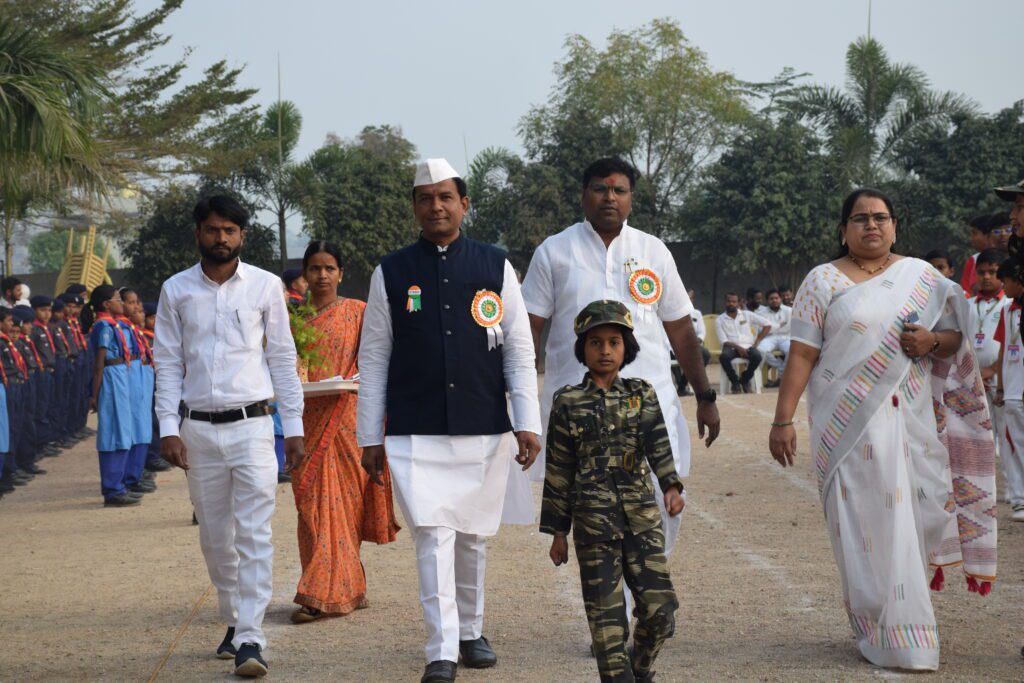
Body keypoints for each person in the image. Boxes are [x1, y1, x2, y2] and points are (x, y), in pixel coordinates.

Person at [769, 187, 996, 672]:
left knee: (917, 516)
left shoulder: (922, 277)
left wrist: (931, 340)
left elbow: (954, 337)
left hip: (910, 421)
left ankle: (900, 619)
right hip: (845, 429)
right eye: (860, 218)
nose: (871, 225)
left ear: (894, 226)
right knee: (862, 522)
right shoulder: (821, 280)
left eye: (880, 217)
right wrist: (782, 418)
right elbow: (803, 353)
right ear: (843, 230)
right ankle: (890, 628)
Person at [357, 159, 541, 683]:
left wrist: (527, 421)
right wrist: (369, 435)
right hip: (415, 429)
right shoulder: (391, 272)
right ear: (414, 207)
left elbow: (518, 349)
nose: (435, 207)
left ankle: (471, 631)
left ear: (464, 204)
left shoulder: (495, 266)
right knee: (432, 536)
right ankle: (441, 649)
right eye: (425, 198)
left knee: (473, 536)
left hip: (483, 423)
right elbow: (374, 356)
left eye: (445, 197)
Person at [521, 156, 719, 569]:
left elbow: (681, 330)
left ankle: (641, 594)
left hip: (649, 406)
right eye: (600, 189)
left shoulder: (653, 250)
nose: (609, 198)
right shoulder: (554, 251)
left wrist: (705, 396)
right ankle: (620, 604)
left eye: (619, 190)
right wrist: (521, 406)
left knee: (663, 505)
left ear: (631, 198)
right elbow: (528, 331)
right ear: (584, 195)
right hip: (580, 410)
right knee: (595, 517)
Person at [155, 195, 305, 677]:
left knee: (256, 532)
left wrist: (294, 427)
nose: (221, 238)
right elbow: (167, 362)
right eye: (213, 229)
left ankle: (251, 637)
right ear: (198, 233)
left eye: (230, 230)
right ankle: (235, 618)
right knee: (216, 538)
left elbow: (282, 357)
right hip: (198, 430)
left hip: (253, 426)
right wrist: (168, 427)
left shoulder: (265, 286)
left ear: (242, 236)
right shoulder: (176, 290)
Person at [542, 300, 683, 683]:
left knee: (660, 611)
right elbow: (559, 470)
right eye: (596, 342)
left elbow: (658, 444)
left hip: (641, 521)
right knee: (607, 629)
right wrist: (558, 532)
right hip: (593, 527)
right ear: (582, 349)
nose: (605, 350)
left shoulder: (642, 394)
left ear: (627, 348)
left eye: (614, 342)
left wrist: (671, 486)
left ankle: (641, 667)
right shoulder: (568, 402)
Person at [289, 239, 400, 624]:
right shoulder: (291, 320)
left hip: (349, 419)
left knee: (346, 507)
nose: (322, 275)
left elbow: (379, 358)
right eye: (315, 268)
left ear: (341, 273)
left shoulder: (359, 312)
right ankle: (337, 586)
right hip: (306, 420)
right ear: (305, 274)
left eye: (329, 268)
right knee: (312, 508)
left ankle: (324, 592)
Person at [88, 286, 137, 507]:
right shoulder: (103, 326)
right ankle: (112, 489)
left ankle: (119, 484)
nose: (121, 302)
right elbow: (99, 364)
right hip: (110, 377)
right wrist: (94, 394)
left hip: (118, 375)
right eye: (118, 299)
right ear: (106, 304)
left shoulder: (112, 324)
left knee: (122, 431)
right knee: (112, 432)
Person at [966, 250, 1010, 457]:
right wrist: (973, 373)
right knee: (979, 435)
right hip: (973, 378)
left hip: (1003, 378)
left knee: (1008, 433)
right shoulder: (967, 305)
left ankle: (1009, 475)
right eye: (981, 272)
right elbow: (961, 341)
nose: (986, 277)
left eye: (992, 272)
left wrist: (992, 370)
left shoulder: (1009, 304)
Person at [993, 259, 1024, 522]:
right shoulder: (1007, 310)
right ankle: (1019, 500)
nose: (1004, 287)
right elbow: (1003, 348)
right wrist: (1001, 387)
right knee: (1014, 446)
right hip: (1014, 391)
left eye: (1006, 281)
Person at [117, 287, 155, 496]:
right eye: (131, 303)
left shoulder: (132, 328)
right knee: (132, 429)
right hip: (130, 380)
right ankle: (129, 477)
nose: (136, 307)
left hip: (142, 379)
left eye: (137, 303)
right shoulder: (118, 328)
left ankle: (136, 473)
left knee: (142, 426)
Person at [715, 292, 771, 393]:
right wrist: (739, 348)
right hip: (731, 347)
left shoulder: (747, 314)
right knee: (724, 357)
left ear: (738, 303)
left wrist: (757, 341)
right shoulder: (720, 319)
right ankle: (735, 382)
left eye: (734, 301)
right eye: (729, 301)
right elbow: (724, 341)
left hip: (748, 346)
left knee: (757, 356)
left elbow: (767, 324)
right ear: (725, 302)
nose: (731, 304)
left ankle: (745, 379)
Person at [0, 307, 28, 494]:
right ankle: (6, 473)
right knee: (6, 430)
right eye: (9, 320)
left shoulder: (7, 341)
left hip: (14, 384)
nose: (12, 324)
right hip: (7, 386)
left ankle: (10, 470)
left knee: (14, 427)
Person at [28, 296, 59, 457]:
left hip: (49, 371)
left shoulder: (46, 328)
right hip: (40, 372)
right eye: (42, 310)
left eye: (49, 310)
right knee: (40, 408)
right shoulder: (34, 329)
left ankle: (45, 441)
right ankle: (39, 445)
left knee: (47, 405)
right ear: (34, 311)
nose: (47, 314)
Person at [48, 296, 76, 448]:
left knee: (65, 398)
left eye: (60, 311)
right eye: (55, 312)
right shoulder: (48, 327)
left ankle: (63, 432)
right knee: (56, 400)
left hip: (66, 361)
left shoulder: (62, 325)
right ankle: (55, 435)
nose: (58, 314)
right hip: (57, 363)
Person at [672, 288, 710, 396]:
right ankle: (681, 386)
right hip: (675, 346)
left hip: (693, 346)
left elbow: (701, 332)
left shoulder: (697, 313)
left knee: (705, 354)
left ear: (693, 299)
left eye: (689, 298)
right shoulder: (672, 314)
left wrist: (696, 341)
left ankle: (682, 385)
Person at [757, 289, 792, 388]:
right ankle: (780, 367)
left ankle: (781, 377)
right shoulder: (761, 313)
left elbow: (788, 327)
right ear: (767, 301)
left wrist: (771, 327)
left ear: (780, 299)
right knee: (760, 350)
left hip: (785, 337)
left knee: (791, 350)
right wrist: (778, 326)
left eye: (776, 298)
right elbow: (761, 329)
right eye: (771, 299)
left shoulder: (789, 311)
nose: (774, 300)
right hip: (769, 338)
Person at [960, 214, 996, 296]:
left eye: (974, 233)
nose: (971, 238)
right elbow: (966, 292)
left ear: (988, 236)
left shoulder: (1008, 258)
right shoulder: (973, 260)